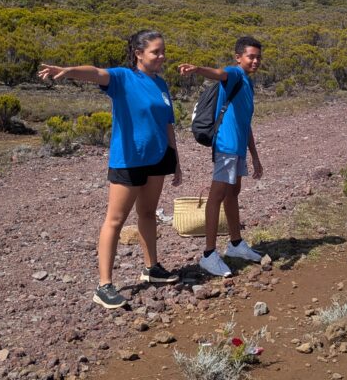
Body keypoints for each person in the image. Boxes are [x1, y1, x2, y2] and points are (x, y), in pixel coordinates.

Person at [37, 29, 183, 309]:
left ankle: (151, 268)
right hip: (128, 159)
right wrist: (68, 71)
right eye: (156, 52)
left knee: (148, 213)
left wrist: (175, 159)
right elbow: (96, 73)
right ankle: (104, 285)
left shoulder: (161, 84)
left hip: (158, 157)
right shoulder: (123, 78)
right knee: (115, 221)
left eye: (163, 51)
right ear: (139, 53)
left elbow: (167, 124)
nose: (162, 56)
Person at [178, 36, 265, 277]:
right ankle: (209, 255)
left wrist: (255, 156)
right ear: (238, 57)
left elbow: (246, 124)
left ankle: (235, 244)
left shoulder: (248, 83)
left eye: (258, 57)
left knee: (232, 193)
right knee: (216, 196)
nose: (255, 61)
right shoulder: (235, 74)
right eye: (251, 56)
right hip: (226, 146)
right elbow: (220, 74)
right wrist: (197, 69)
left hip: (238, 148)